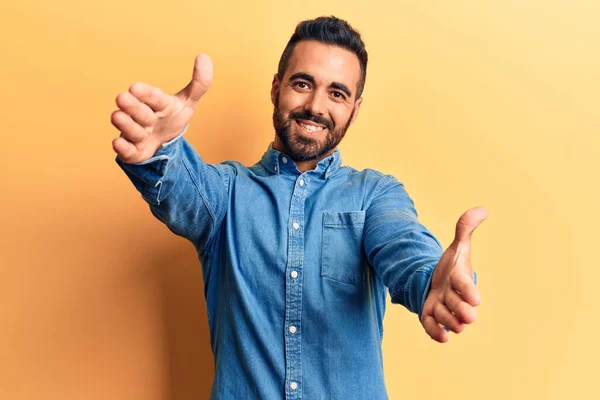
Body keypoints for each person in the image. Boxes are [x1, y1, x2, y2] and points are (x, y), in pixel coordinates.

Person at [111, 16, 487, 400]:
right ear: (276, 88)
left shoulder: (375, 195)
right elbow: (178, 189)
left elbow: (403, 247)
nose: (314, 106)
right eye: (302, 84)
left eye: (337, 94)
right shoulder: (225, 194)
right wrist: (159, 150)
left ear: (354, 110)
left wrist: (431, 281)